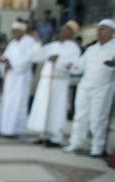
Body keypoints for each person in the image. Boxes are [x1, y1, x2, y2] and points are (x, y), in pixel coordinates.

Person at [64, 19, 115, 157]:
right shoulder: (91, 49)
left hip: (103, 88)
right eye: (99, 28)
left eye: (103, 29)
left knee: (98, 118)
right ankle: (75, 142)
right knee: (80, 116)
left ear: (112, 32)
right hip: (85, 86)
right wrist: (71, 66)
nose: (99, 31)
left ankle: (97, 147)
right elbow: (79, 67)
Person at [27, 21, 81, 147]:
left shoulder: (73, 48)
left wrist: (59, 61)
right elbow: (36, 57)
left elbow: (74, 66)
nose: (63, 32)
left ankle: (56, 138)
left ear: (72, 33)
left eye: (67, 30)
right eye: (62, 29)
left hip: (59, 81)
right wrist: (37, 43)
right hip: (46, 81)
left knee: (57, 109)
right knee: (44, 108)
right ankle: (43, 135)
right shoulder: (53, 45)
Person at [0, 20, 36, 137]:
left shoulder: (29, 42)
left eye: (15, 31)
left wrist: (11, 63)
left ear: (22, 31)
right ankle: (4, 129)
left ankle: (15, 130)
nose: (13, 34)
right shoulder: (12, 43)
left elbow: (28, 59)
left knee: (17, 103)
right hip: (10, 78)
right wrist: (3, 61)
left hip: (21, 79)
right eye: (13, 31)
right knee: (6, 102)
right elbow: (6, 56)